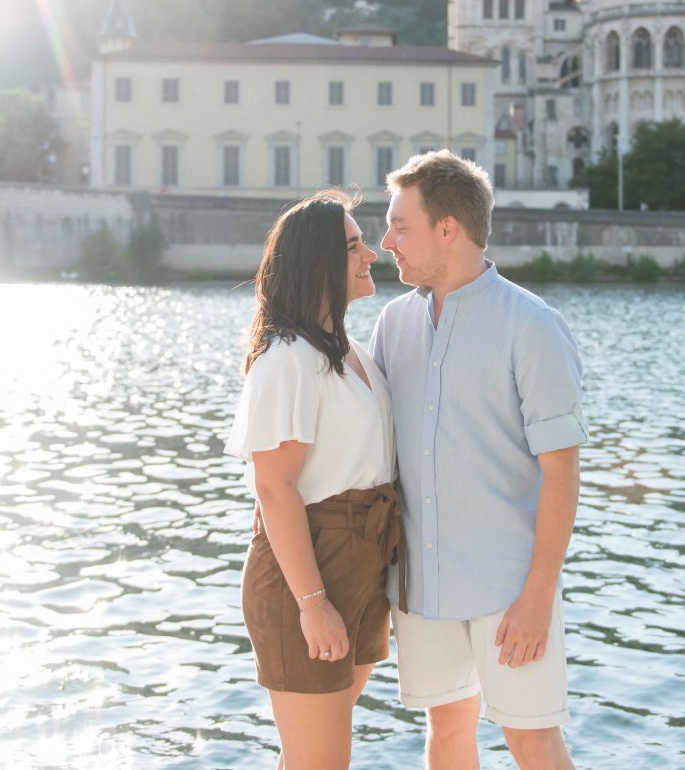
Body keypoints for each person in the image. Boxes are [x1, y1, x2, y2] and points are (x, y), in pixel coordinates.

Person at [371, 151, 586, 770]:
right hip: (420, 585)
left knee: (532, 740)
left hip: (509, 587)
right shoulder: (392, 324)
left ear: (448, 229)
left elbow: (562, 474)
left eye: (400, 226)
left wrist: (538, 596)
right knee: (446, 732)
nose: (387, 242)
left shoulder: (533, 326)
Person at [225, 190, 404, 770]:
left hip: (361, 559)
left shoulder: (348, 350)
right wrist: (312, 602)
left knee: (308, 760)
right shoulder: (288, 357)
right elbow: (274, 489)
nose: (371, 253)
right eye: (354, 245)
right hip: (313, 571)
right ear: (321, 262)